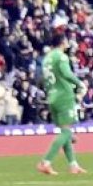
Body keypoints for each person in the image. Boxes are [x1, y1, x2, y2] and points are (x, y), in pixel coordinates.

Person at [37, 31, 87, 176]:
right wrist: (80, 83)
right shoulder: (61, 56)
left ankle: (73, 165)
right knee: (66, 132)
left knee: (66, 132)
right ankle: (45, 162)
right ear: (62, 42)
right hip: (64, 96)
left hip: (52, 96)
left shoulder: (46, 59)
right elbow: (66, 73)